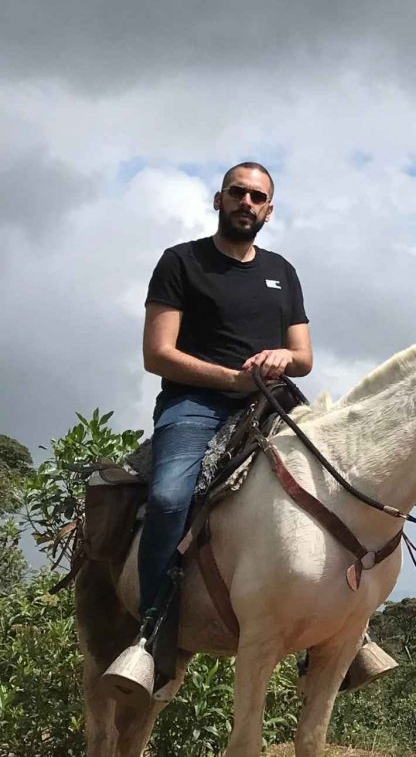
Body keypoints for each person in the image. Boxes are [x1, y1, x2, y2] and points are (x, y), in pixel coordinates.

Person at [135, 162, 312, 627]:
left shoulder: (282, 271)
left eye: (257, 198)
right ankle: (151, 632)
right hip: (195, 404)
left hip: (272, 403)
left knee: (340, 479)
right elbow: (157, 353)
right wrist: (230, 380)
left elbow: (304, 357)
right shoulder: (180, 261)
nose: (246, 203)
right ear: (219, 199)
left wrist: (281, 357)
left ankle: (350, 631)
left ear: (269, 211)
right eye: (238, 193)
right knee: (169, 499)